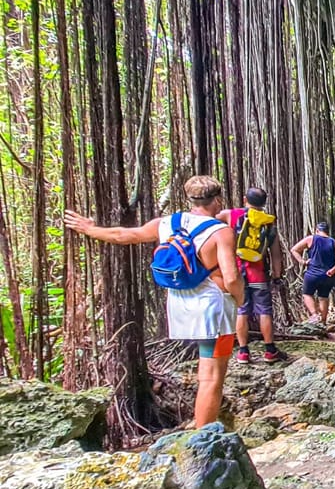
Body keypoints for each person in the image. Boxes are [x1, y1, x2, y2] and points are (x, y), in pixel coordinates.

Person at [63, 175, 243, 428]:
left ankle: (202, 427)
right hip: (213, 310)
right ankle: (204, 439)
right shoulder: (221, 232)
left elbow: (125, 235)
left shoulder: (166, 223)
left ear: (189, 199)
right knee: (212, 377)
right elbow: (232, 276)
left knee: (207, 373)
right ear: (218, 200)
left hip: (179, 305)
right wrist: (240, 298)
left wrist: (89, 229)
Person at [215, 187, 287, 364]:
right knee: (265, 311)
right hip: (259, 275)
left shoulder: (230, 215)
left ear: (245, 198)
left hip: (236, 272)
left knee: (242, 310)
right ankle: (270, 350)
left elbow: (207, 222)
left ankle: (243, 352)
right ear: (264, 203)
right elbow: (276, 254)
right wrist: (277, 276)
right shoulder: (269, 223)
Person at [290, 222, 335, 324]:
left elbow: (294, 249)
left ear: (317, 230)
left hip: (312, 274)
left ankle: (315, 315)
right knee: (324, 297)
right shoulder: (333, 242)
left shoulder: (310, 239)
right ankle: (323, 322)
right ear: (327, 231)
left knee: (307, 294)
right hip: (328, 276)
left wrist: (302, 262)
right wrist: (334, 269)